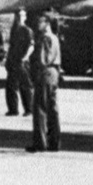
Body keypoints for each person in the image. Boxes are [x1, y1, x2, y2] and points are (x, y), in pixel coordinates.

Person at [27, 14, 61, 152]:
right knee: (53, 109)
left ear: (47, 23)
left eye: (39, 21)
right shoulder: (55, 37)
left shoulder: (45, 38)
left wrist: (31, 60)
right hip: (54, 73)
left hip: (44, 73)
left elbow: (43, 59)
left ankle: (40, 143)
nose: (37, 24)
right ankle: (54, 143)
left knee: (40, 109)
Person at [4, 8, 33, 117]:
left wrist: (25, 58)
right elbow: (11, 46)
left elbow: (31, 46)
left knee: (25, 86)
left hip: (22, 62)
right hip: (13, 61)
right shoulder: (14, 30)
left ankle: (29, 109)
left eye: (22, 16)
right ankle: (13, 109)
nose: (20, 18)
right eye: (18, 16)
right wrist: (8, 59)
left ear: (25, 17)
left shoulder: (27, 30)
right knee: (11, 86)